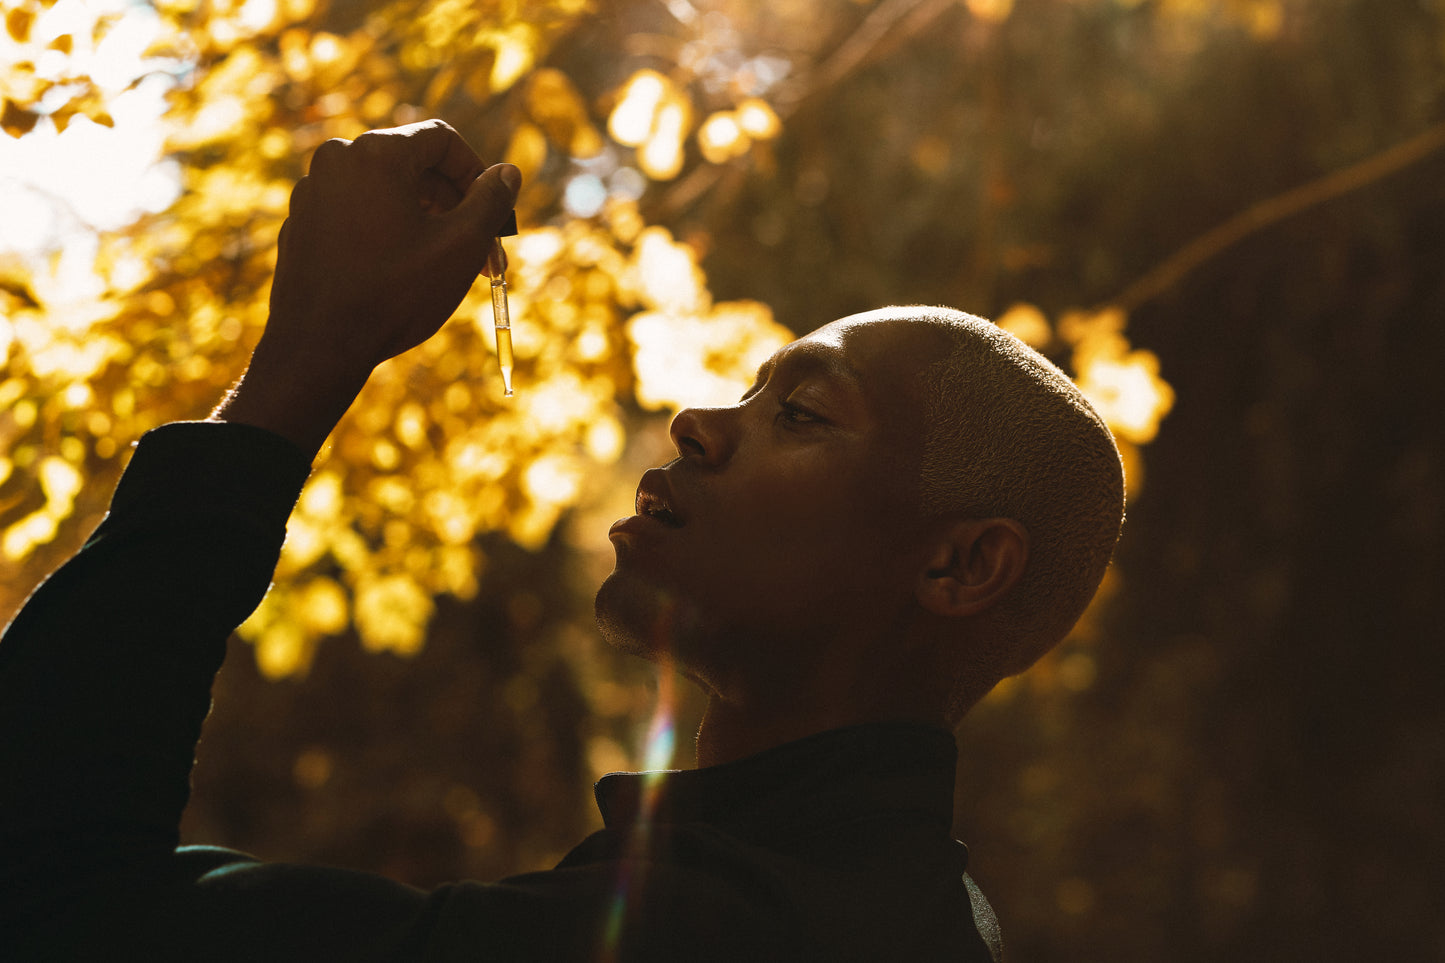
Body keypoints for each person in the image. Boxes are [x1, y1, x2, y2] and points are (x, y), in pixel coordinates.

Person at [0, 120, 1124, 962]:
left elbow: (51, 892)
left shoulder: (727, 935)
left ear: (958, 567)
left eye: (801, 413)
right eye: (748, 385)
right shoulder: (913, 913)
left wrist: (304, 361)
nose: (696, 422)